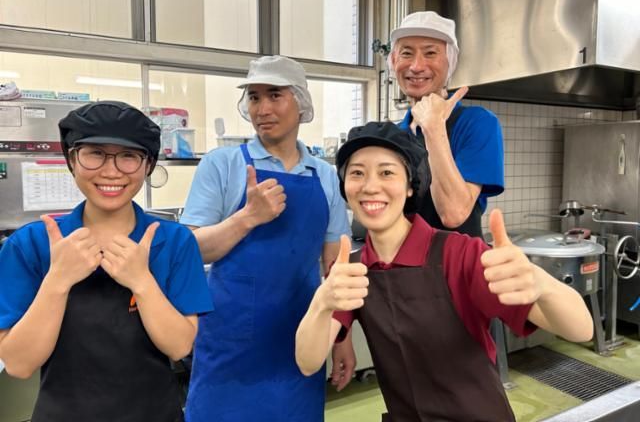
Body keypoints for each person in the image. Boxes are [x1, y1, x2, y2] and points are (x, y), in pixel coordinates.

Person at [295, 121, 594, 421]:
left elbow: (580, 330)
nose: (370, 186)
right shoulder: (351, 270)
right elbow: (308, 362)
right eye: (357, 173)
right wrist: (322, 303)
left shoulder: (460, 254)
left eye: (386, 172)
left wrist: (541, 282)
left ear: (410, 186)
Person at [0, 101, 213, 422]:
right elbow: (18, 364)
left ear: (148, 165)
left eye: (129, 156)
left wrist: (142, 281)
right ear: (72, 160)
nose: (111, 171)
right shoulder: (31, 244)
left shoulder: (174, 241)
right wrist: (57, 280)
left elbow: (179, 346)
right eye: (95, 153)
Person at [181, 55, 352, 422]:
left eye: (275, 95)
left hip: (301, 332)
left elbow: (335, 266)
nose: (262, 109)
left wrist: (340, 337)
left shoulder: (324, 176)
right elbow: (189, 250)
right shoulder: (222, 164)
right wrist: (247, 218)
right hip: (231, 337)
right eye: (254, 97)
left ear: (301, 103)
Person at [389, 10, 504, 238]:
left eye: (430, 53)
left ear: (450, 61)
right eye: (406, 53)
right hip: (402, 259)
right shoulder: (394, 135)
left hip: (457, 260)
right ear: (393, 61)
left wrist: (433, 128)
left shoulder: (477, 123)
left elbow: (454, 213)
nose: (416, 66)